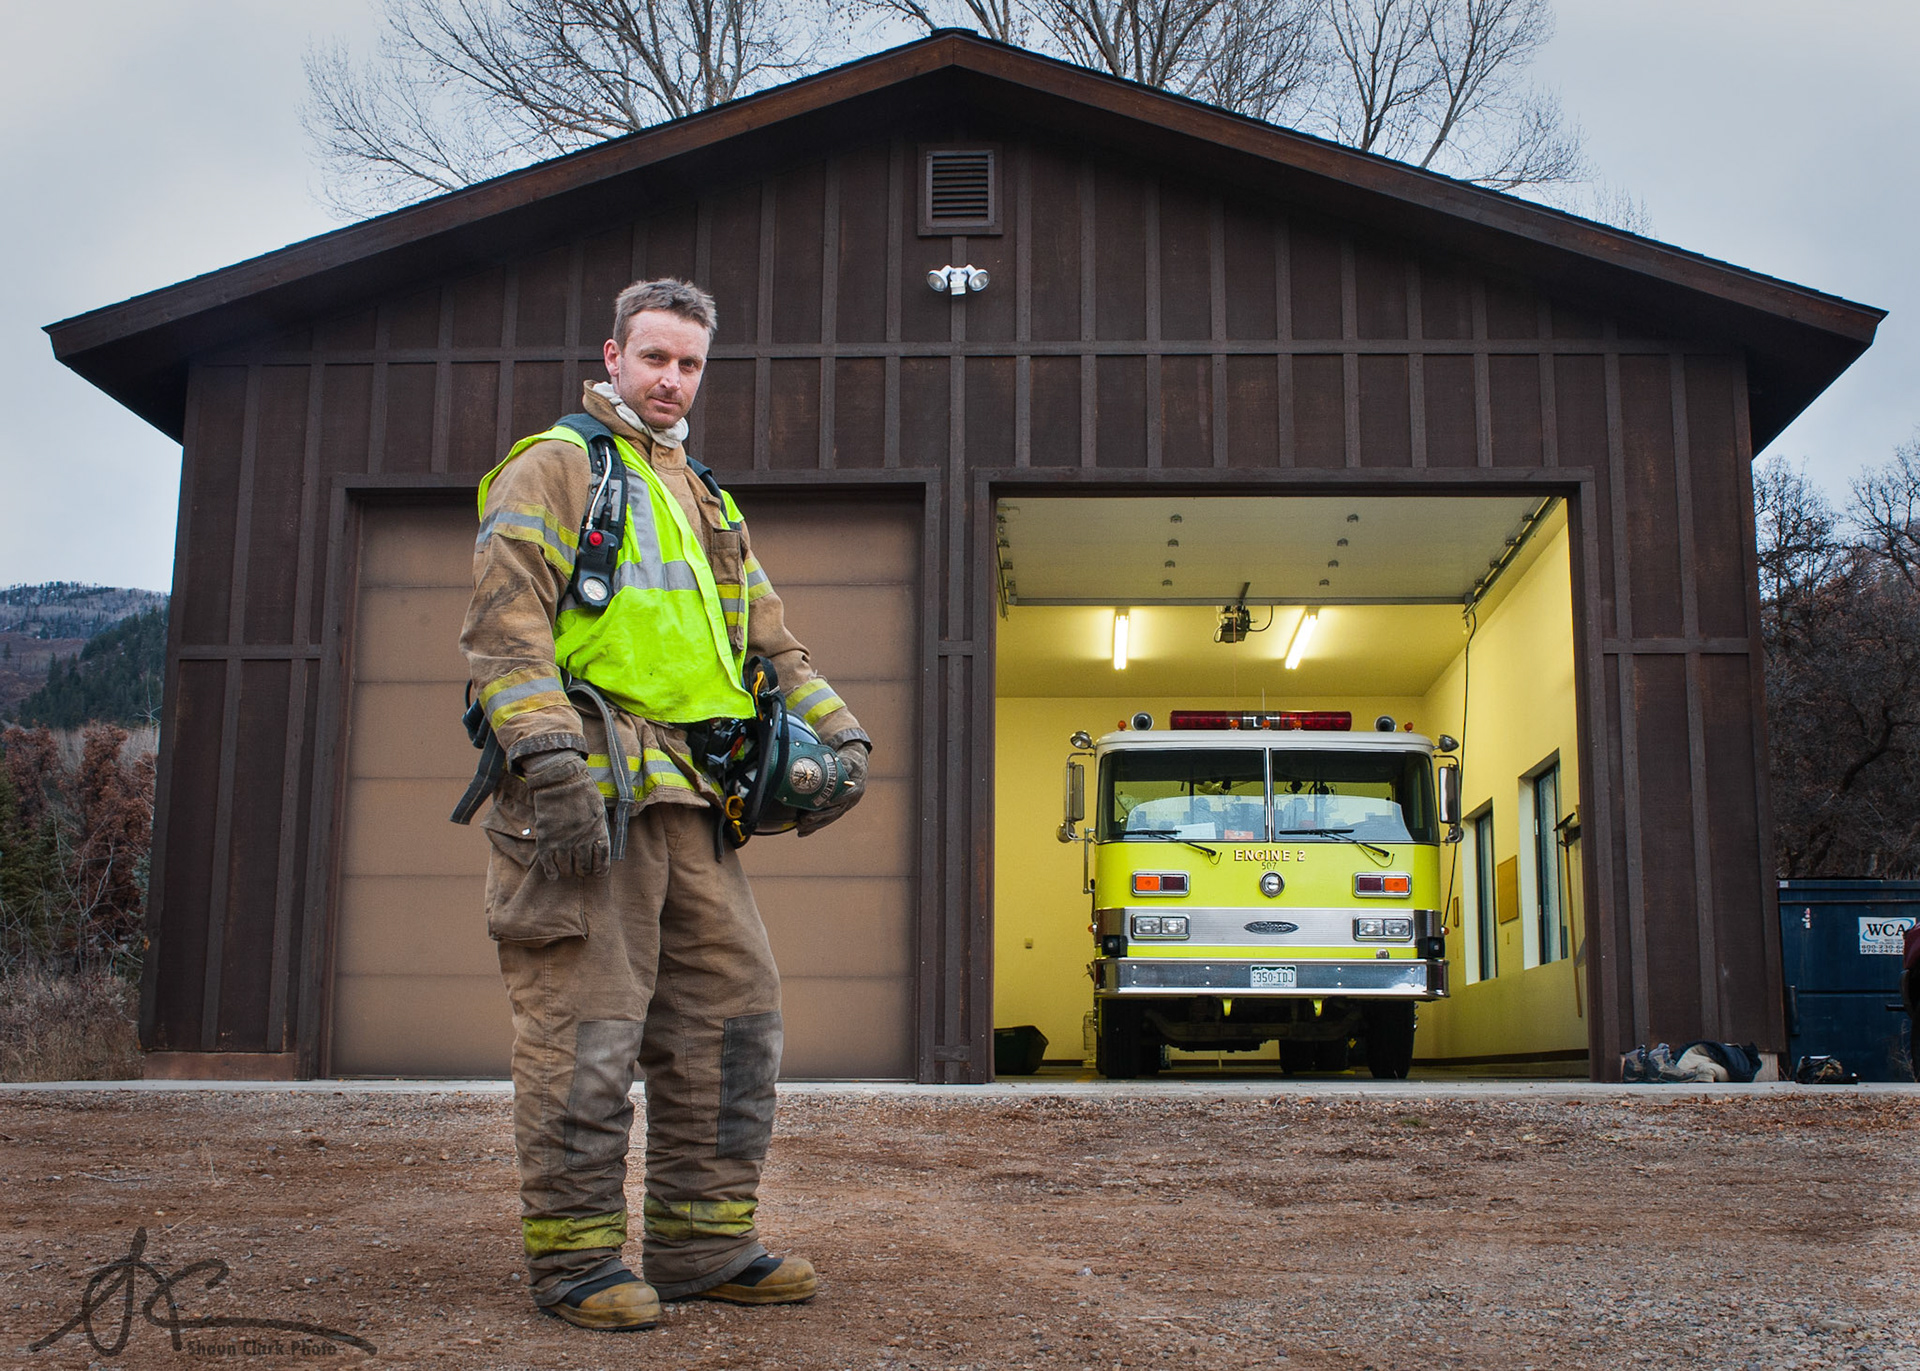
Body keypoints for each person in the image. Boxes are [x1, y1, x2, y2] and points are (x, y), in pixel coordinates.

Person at [459, 278, 869, 1331]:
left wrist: (838, 733)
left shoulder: (706, 497)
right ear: (613, 355)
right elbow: (505, 633)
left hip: (697, 798)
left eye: (688, 364)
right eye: (654, 358)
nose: (671, 380)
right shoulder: (553, 467)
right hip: (590, 788)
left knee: (734, 1021)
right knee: (585, 1029)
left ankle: (701, 1242)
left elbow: (769, 641)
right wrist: (548, 761)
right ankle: (575, 1263)